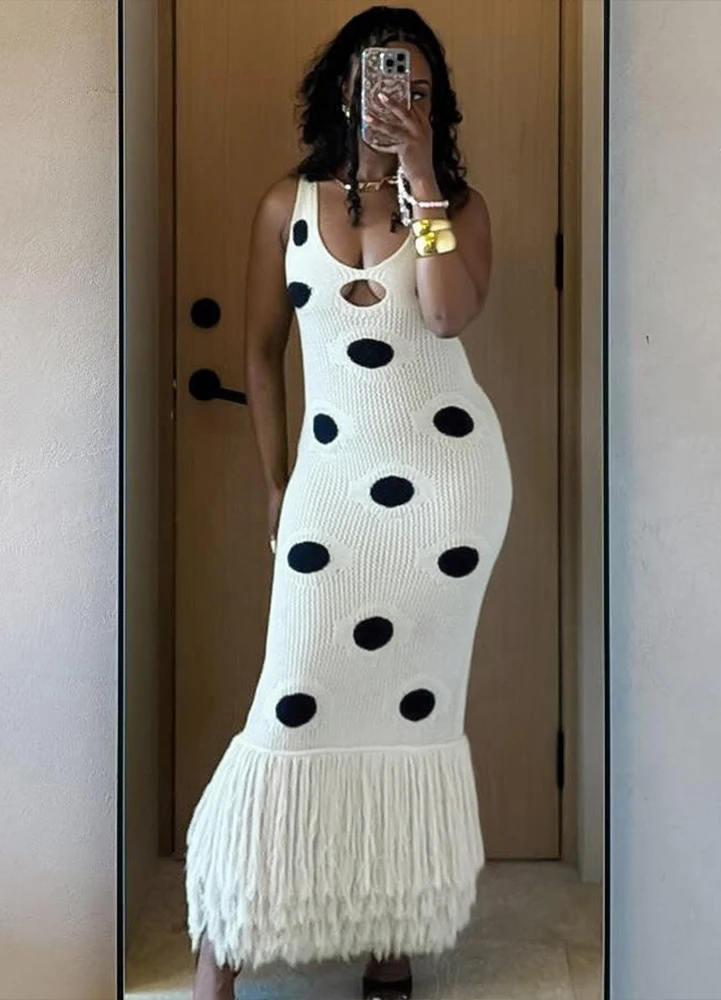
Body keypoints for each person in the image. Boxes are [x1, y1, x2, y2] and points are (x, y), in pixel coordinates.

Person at [187, 7, 513, 999]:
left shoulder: (457, 206)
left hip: (447, 498)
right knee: (290, 707)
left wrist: (421, 179)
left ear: (435, 104)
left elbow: (446, 314)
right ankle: (219, 957)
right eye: (383, 79)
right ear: (344, 88)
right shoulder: (283, 205)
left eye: (419, 88)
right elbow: (258, 352)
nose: (398, 98)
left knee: (414, 717)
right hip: (331, 487)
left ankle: (391, 944)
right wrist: (278, 481)